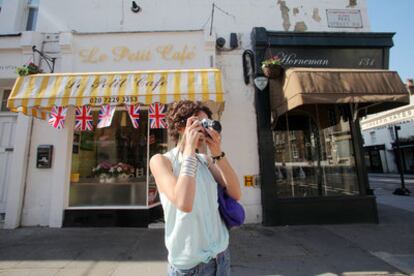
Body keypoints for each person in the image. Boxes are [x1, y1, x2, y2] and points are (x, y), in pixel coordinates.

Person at [150, 100, 241, 276]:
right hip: (190, 267)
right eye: (200, 124)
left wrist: (217, 153)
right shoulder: (162, 161)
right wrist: (189, 149)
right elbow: (184, 203)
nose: (204, 130)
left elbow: (236, 193)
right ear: (180, 127)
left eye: (207, 124)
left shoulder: (205, 161)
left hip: (221, 257)